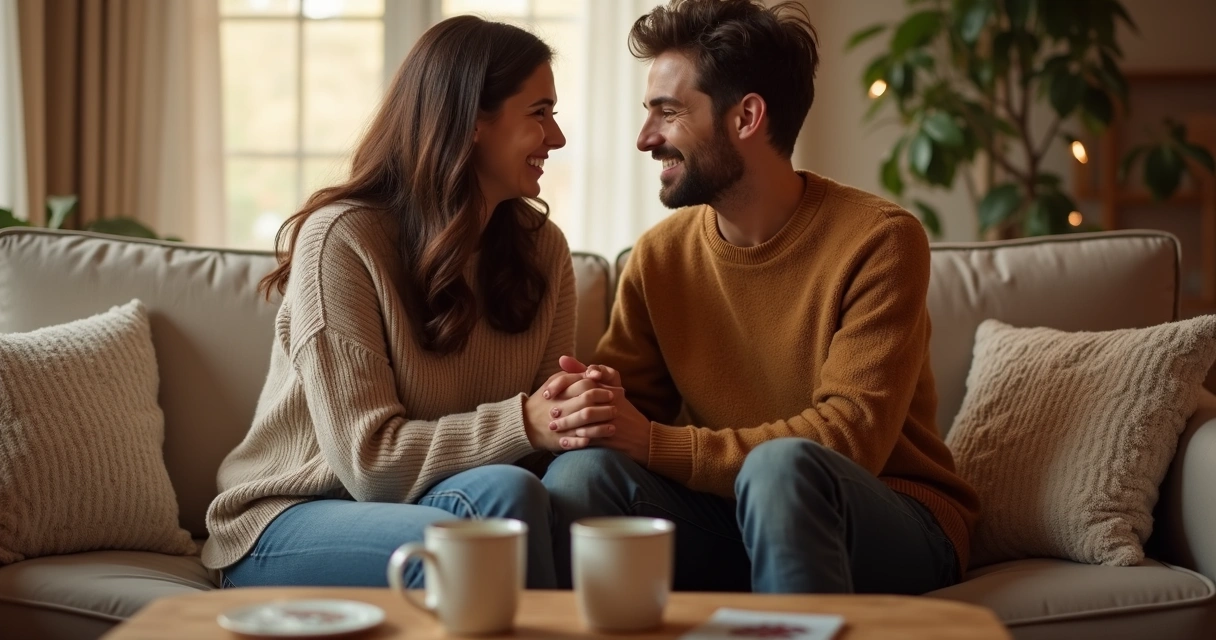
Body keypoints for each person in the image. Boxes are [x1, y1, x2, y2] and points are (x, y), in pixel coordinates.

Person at [539, 0, 980, 594]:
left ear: (746, 117)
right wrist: (589, 404)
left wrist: (654, 440)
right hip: (728, 516)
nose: (646, 139)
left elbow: (851, 438)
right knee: (582, 473)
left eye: (668, 113)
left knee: (781, 468)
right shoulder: (659, 257)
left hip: (890, 517)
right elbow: (630, 411)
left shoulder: (880, 240)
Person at [202, 16, 611, 589]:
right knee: (485, 530)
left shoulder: (543, 250)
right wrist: (526, 421)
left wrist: (581, 413)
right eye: (539, 113)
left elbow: (544, 439)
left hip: (442, 498)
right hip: (290, 516)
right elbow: (369, 464)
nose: (557, 138)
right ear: (471, 120)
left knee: (515, 492)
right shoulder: (343, 240)